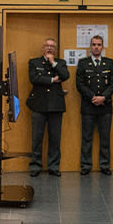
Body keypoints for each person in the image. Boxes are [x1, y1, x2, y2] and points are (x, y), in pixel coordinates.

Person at [27, 37, 70, 176]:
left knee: (55, 139)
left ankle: (53, 167)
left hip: (56, 106)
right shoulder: (34, 62)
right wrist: (52, 80)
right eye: (47, 46)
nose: (49, 48)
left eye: (52, 46)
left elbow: (65, 75)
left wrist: (53, 63)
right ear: (43, 48)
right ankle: (35, 167)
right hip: (39, 105)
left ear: (55, 50)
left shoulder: (60, 63)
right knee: (36, 138)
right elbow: (34, 79)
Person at [75, 34, 113, 175]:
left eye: (99, 44)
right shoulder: (83, 63)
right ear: (90, 47)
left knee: (105, 137)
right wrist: (93, 97)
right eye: (94, 44)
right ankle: (86, 165)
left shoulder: (109, 62)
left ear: (102, 47)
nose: (96, 47)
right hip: (88, 106)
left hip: (105, 107)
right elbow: (79, 84)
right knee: (87, 138)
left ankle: (105, 165)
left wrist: (103, 97)